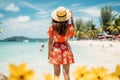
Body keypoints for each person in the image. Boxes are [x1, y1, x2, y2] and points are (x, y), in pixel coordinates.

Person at [47, 6, 75, 80]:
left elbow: (50, 42)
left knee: (56, 73)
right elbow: (72, 35)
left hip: (56, 50)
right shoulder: (69, 27)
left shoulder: (52, 27)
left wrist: (49, 52)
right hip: (66, 49)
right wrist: (72, 18)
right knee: (66, 72)